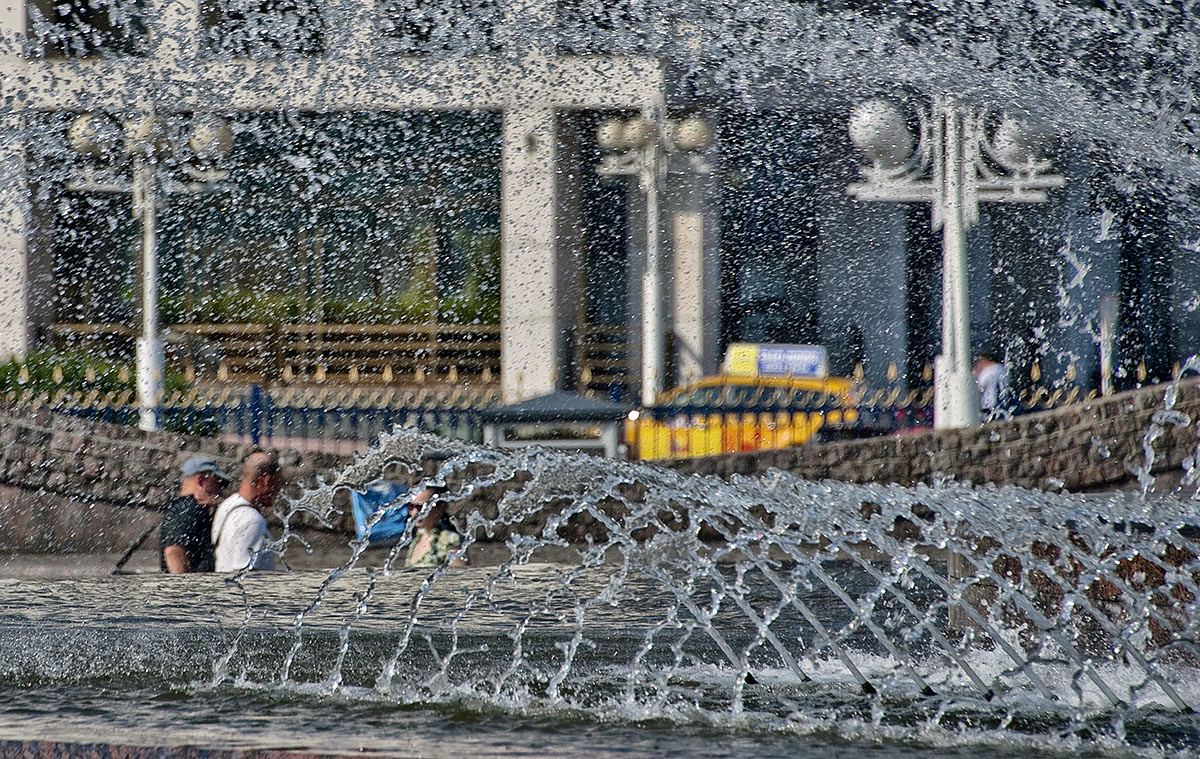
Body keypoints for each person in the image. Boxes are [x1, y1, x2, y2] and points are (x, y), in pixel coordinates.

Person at [212, 450, 282, 572]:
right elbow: (245, 576)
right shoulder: (252, 520)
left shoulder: (227, 505)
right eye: (277, 483)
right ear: (267, 481)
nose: (278, 491)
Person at [160, 454, 231, 574]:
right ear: (201, 481)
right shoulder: (188, 508)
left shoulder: (188, 507)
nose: (220, 490)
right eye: (218, 483)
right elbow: (173, 552)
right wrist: (189, 588)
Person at [404, 479, 467, 568]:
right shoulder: (416, 538)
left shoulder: (449, 540)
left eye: (421, 507)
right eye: (411, 506)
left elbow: (460, 576)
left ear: (441, 507)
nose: (414, 512)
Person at [974, 348, 1011, 420]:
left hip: (990, 409)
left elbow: (977, 386)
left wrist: (976, 373)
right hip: (1003, 407)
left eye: (980, 361)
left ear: (985, 360)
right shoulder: (1002, 369)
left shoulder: (989, 372)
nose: (978, 364)